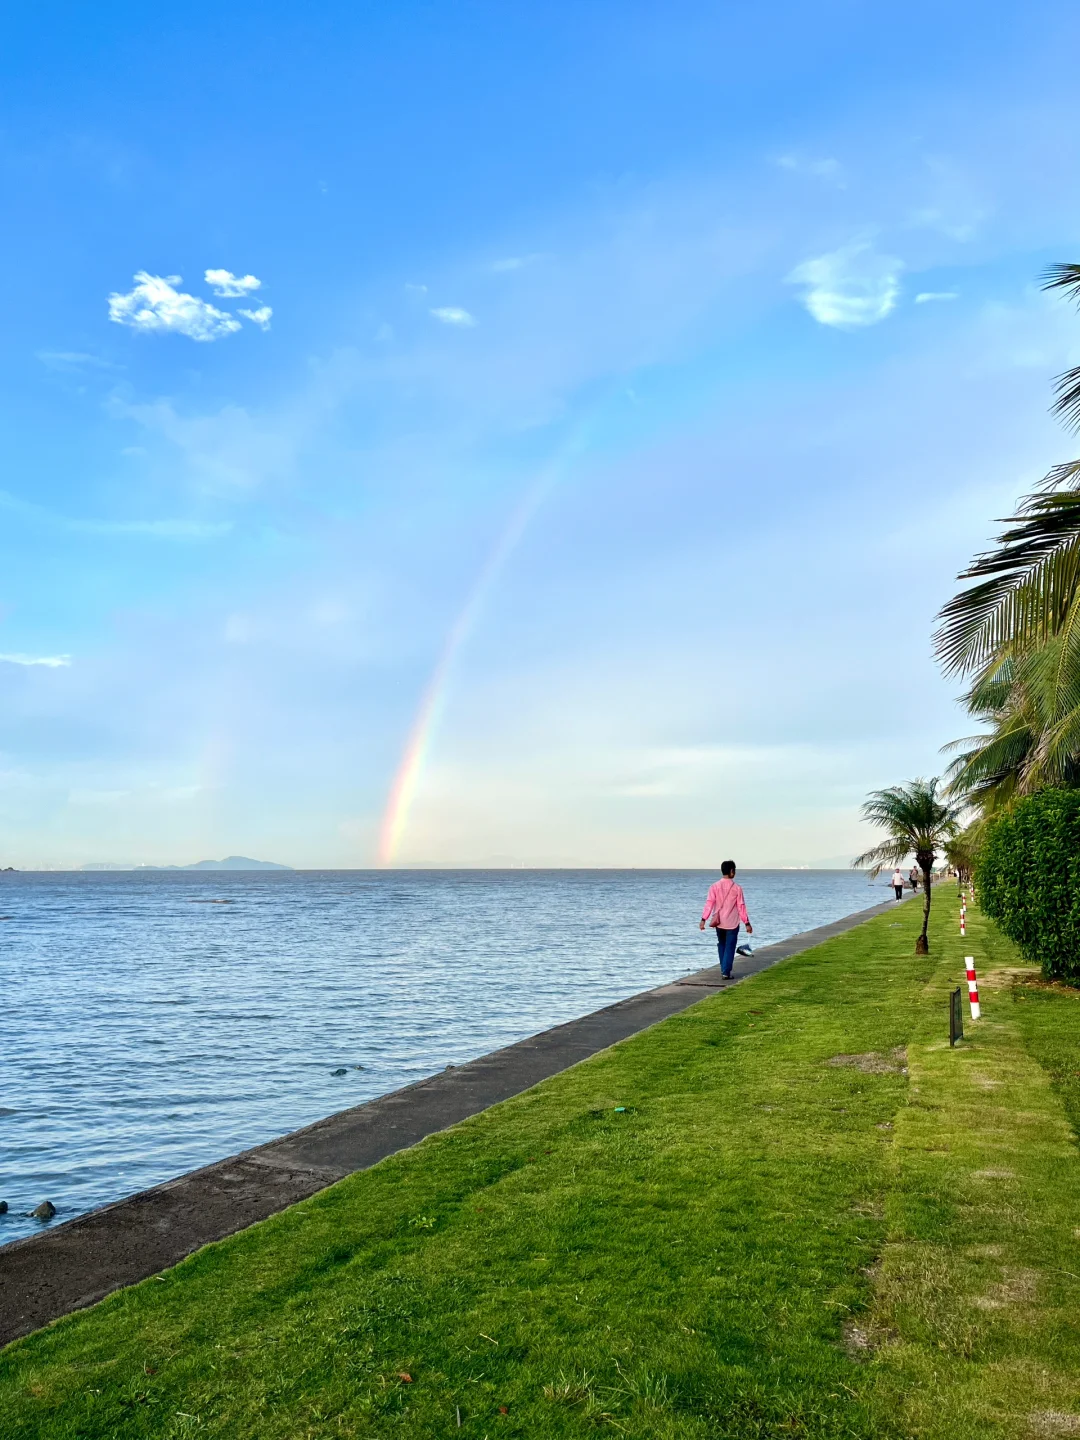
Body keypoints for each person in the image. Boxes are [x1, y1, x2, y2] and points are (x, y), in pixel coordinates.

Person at [699, 860, 752, 979]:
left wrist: (703, 919)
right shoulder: (737, 888)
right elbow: (741, 907)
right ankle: (725, 972)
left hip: (719, 922)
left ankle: (724, 968)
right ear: (732, 871)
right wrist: (747, 923)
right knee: (730, 946)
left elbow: (709, 904)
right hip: (732, 923)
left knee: (722, 944)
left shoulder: (714, 887)